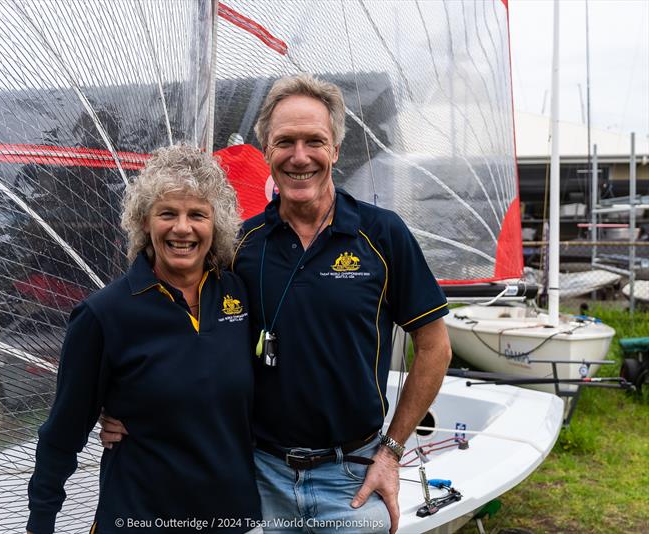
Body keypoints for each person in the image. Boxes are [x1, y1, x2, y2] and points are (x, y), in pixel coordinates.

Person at [102, 75, 452, 534]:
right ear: (266, 150)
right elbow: (180, 331)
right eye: (285, 141)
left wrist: (391, 451)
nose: (300, 156)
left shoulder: (382, 236)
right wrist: (127, 408)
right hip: (255, 475)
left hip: (352, 479)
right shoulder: (238, 246)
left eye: (315, 141)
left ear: (335, 151)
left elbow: (434, 347)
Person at [27, 144, 261, 534]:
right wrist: (41, 522)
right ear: (144, 222)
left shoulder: (241, 294)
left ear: (216, 224)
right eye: (167, 213)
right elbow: (62, 434)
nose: (182, 228)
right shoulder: (103, 315)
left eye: (197, 215)